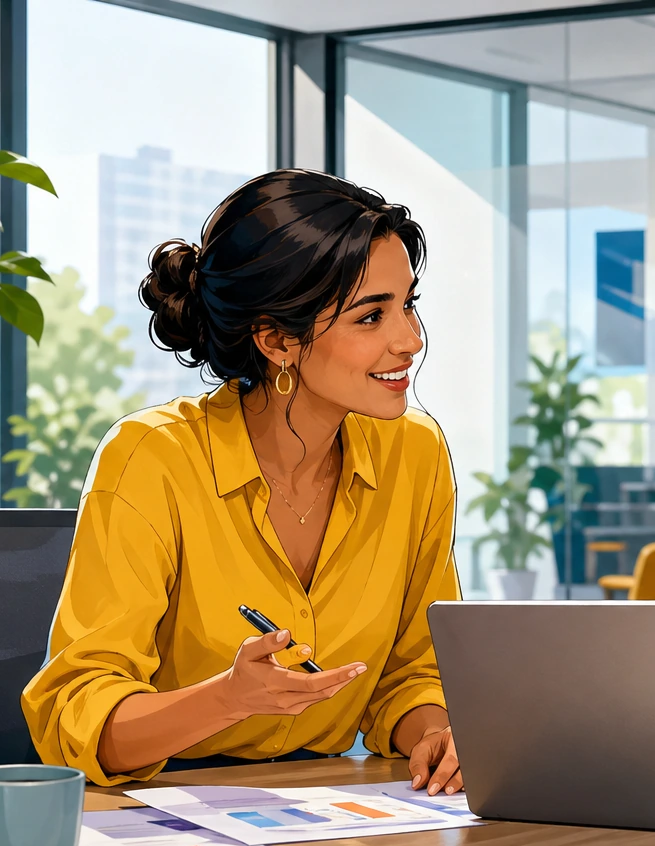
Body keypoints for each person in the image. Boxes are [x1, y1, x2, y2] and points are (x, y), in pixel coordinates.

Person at [23, 169, 465, 793]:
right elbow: (76, 714)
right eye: (371, 317)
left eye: (408, 305)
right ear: (277, 339)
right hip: (157, 813)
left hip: (332, 807)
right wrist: (230, 698)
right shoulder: (152, 457)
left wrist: (435, 734)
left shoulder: (415, 454)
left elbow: (412, 671)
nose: (411, 340)